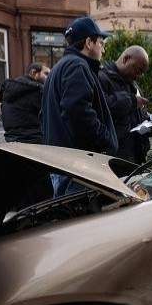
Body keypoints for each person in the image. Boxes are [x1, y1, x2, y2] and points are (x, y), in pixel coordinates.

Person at [41, 17, 118, 196]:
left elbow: (44, 115)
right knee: (79, 220)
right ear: (89, 43)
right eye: (101, 42)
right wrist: (105, 141)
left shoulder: (59, 67)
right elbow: (77, 111)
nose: (103, 47)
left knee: (66, 220)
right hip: (77, 166)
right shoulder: (77, 65)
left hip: (63, 163)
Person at [98, 46, 151, 164]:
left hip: (134, 159)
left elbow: (138, 118)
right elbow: (103, 107)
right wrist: (131, 101)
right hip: (113, 159)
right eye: (137, 70)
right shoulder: (101, 77)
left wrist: (151, 124)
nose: (138, 75)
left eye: (141, 73)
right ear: (126, 59)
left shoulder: (133, 86)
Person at [0, 62, 49, 143]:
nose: (49, 77)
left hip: (11, 140)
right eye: (46, 74)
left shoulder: (8, 91)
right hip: (34, 141)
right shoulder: (36, 91)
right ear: (34, 73)